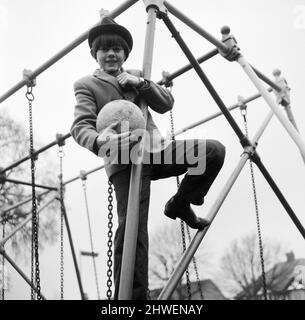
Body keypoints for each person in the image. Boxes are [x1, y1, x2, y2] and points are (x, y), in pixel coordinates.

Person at [70, 16, 225, 300]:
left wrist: (140, 83)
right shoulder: (87, 85)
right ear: (95, 54)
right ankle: (132, 298)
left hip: (154, 150)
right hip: (124, 160)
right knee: (132, 230)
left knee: (212, 152)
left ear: (125, 54)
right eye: (104, 49)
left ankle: (180, 203)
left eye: (117, 49)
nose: (111, 54)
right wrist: (101, 139)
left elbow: (166, 103)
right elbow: (80, 127)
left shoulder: (137, 76)